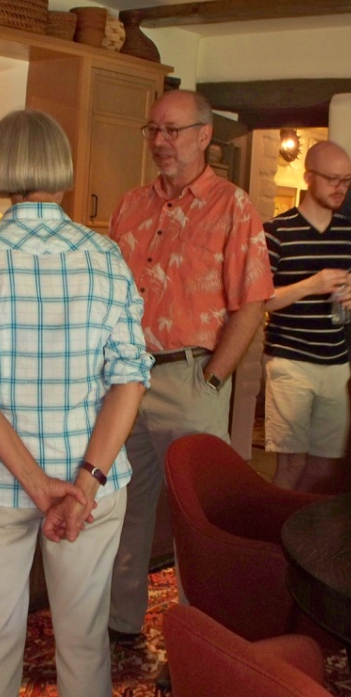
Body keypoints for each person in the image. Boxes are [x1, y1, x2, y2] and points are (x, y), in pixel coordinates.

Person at [0, 109, 153, 697]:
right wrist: (84, 483)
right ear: (62, 167)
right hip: (92, 480)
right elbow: (131, 377)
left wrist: (36, 485)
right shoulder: (105, 256)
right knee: (84, 640)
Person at [107, 89, 274, 648]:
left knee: (196, 519)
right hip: (124, 378)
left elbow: (251, 301)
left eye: (172, 130)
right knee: (121, 505)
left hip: (190, 377)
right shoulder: (131, 205)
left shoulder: (233, 206)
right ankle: (120, 622)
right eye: (153, 129)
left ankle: (200, 643)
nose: (160, 141)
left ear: (204, 135)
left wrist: (213, 379)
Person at [262, 140, 351, 492]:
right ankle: (275, 524)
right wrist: (311, 285)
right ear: (309, 178)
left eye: (346, 180)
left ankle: (304, 524)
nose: (340, 188)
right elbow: (261, 302)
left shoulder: (350, 233)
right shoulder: (276, 231)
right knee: (291, 463)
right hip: (290, 361)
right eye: (332, 179)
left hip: (336, 362)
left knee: (325, 467)